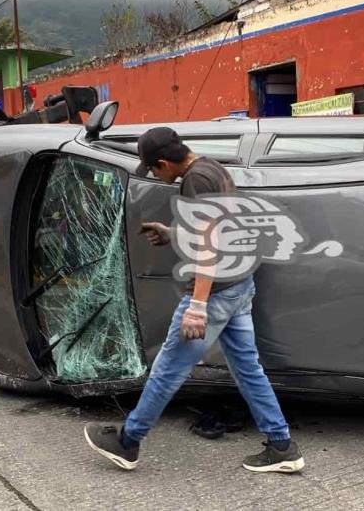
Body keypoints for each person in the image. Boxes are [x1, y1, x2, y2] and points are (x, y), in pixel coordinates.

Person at [84, 127, 304, 474]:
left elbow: (209, 246)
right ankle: (282, 446)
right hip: (239, 286)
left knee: (167, 370)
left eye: (156, 170)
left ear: (163, 162)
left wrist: (197, 307)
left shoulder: (194, 181)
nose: (159, 177)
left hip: (215, 294)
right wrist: (174, 234)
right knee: (249, 370)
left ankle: (128, 442)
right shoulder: (213, 169)